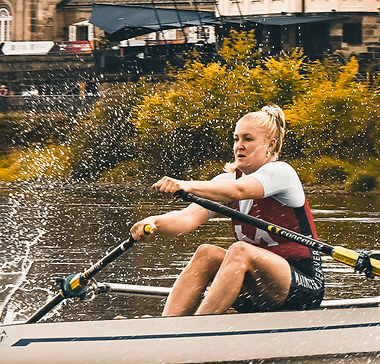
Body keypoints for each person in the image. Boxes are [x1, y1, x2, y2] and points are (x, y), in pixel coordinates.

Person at [129, 105, 324, 316]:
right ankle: (166, 327)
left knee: (240, 250)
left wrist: (186, 185)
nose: (239, 146)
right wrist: (154, 222)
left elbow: (238, 191)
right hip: (257, 292)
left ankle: (198, 328)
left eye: (248, 139)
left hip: (303, 288)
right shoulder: (226, 181)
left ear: (271, 144)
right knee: (207, 253)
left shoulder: (282, 173)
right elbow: (186, 219)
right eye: (236, 139)